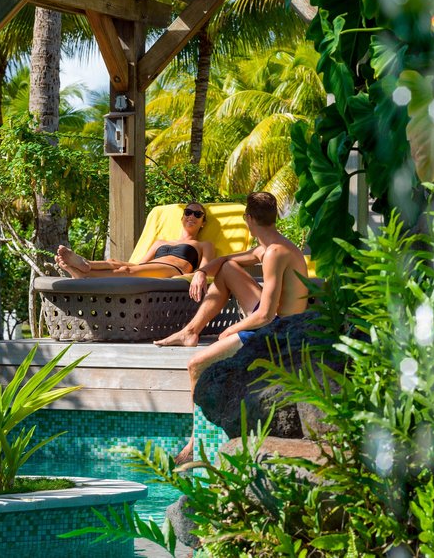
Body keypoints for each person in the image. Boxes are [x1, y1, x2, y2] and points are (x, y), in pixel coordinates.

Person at [153, 192, 309, 463]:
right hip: (274, 319)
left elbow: (266, 315)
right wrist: (201, 272)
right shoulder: (269, 247)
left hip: (280, 330)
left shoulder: (275, 253)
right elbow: (225, 261)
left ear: (248, 219)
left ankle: (196, 441)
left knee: (196, 365)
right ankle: (190, 331)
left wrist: (231, 330)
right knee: (227, 269)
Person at [56, 202, 215, 279]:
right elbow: (140, 264)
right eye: (188, 212)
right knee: (114, 262)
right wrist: (119, 264)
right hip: (150, 267)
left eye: (198, 214)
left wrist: (192, 279)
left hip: (174, 270)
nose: (192, 216)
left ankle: (85, 274)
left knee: (126, 271)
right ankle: (86, 265)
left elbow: (204, 270)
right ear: (182, 217)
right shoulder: (161, 242)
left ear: (203, 223)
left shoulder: (204, 245)